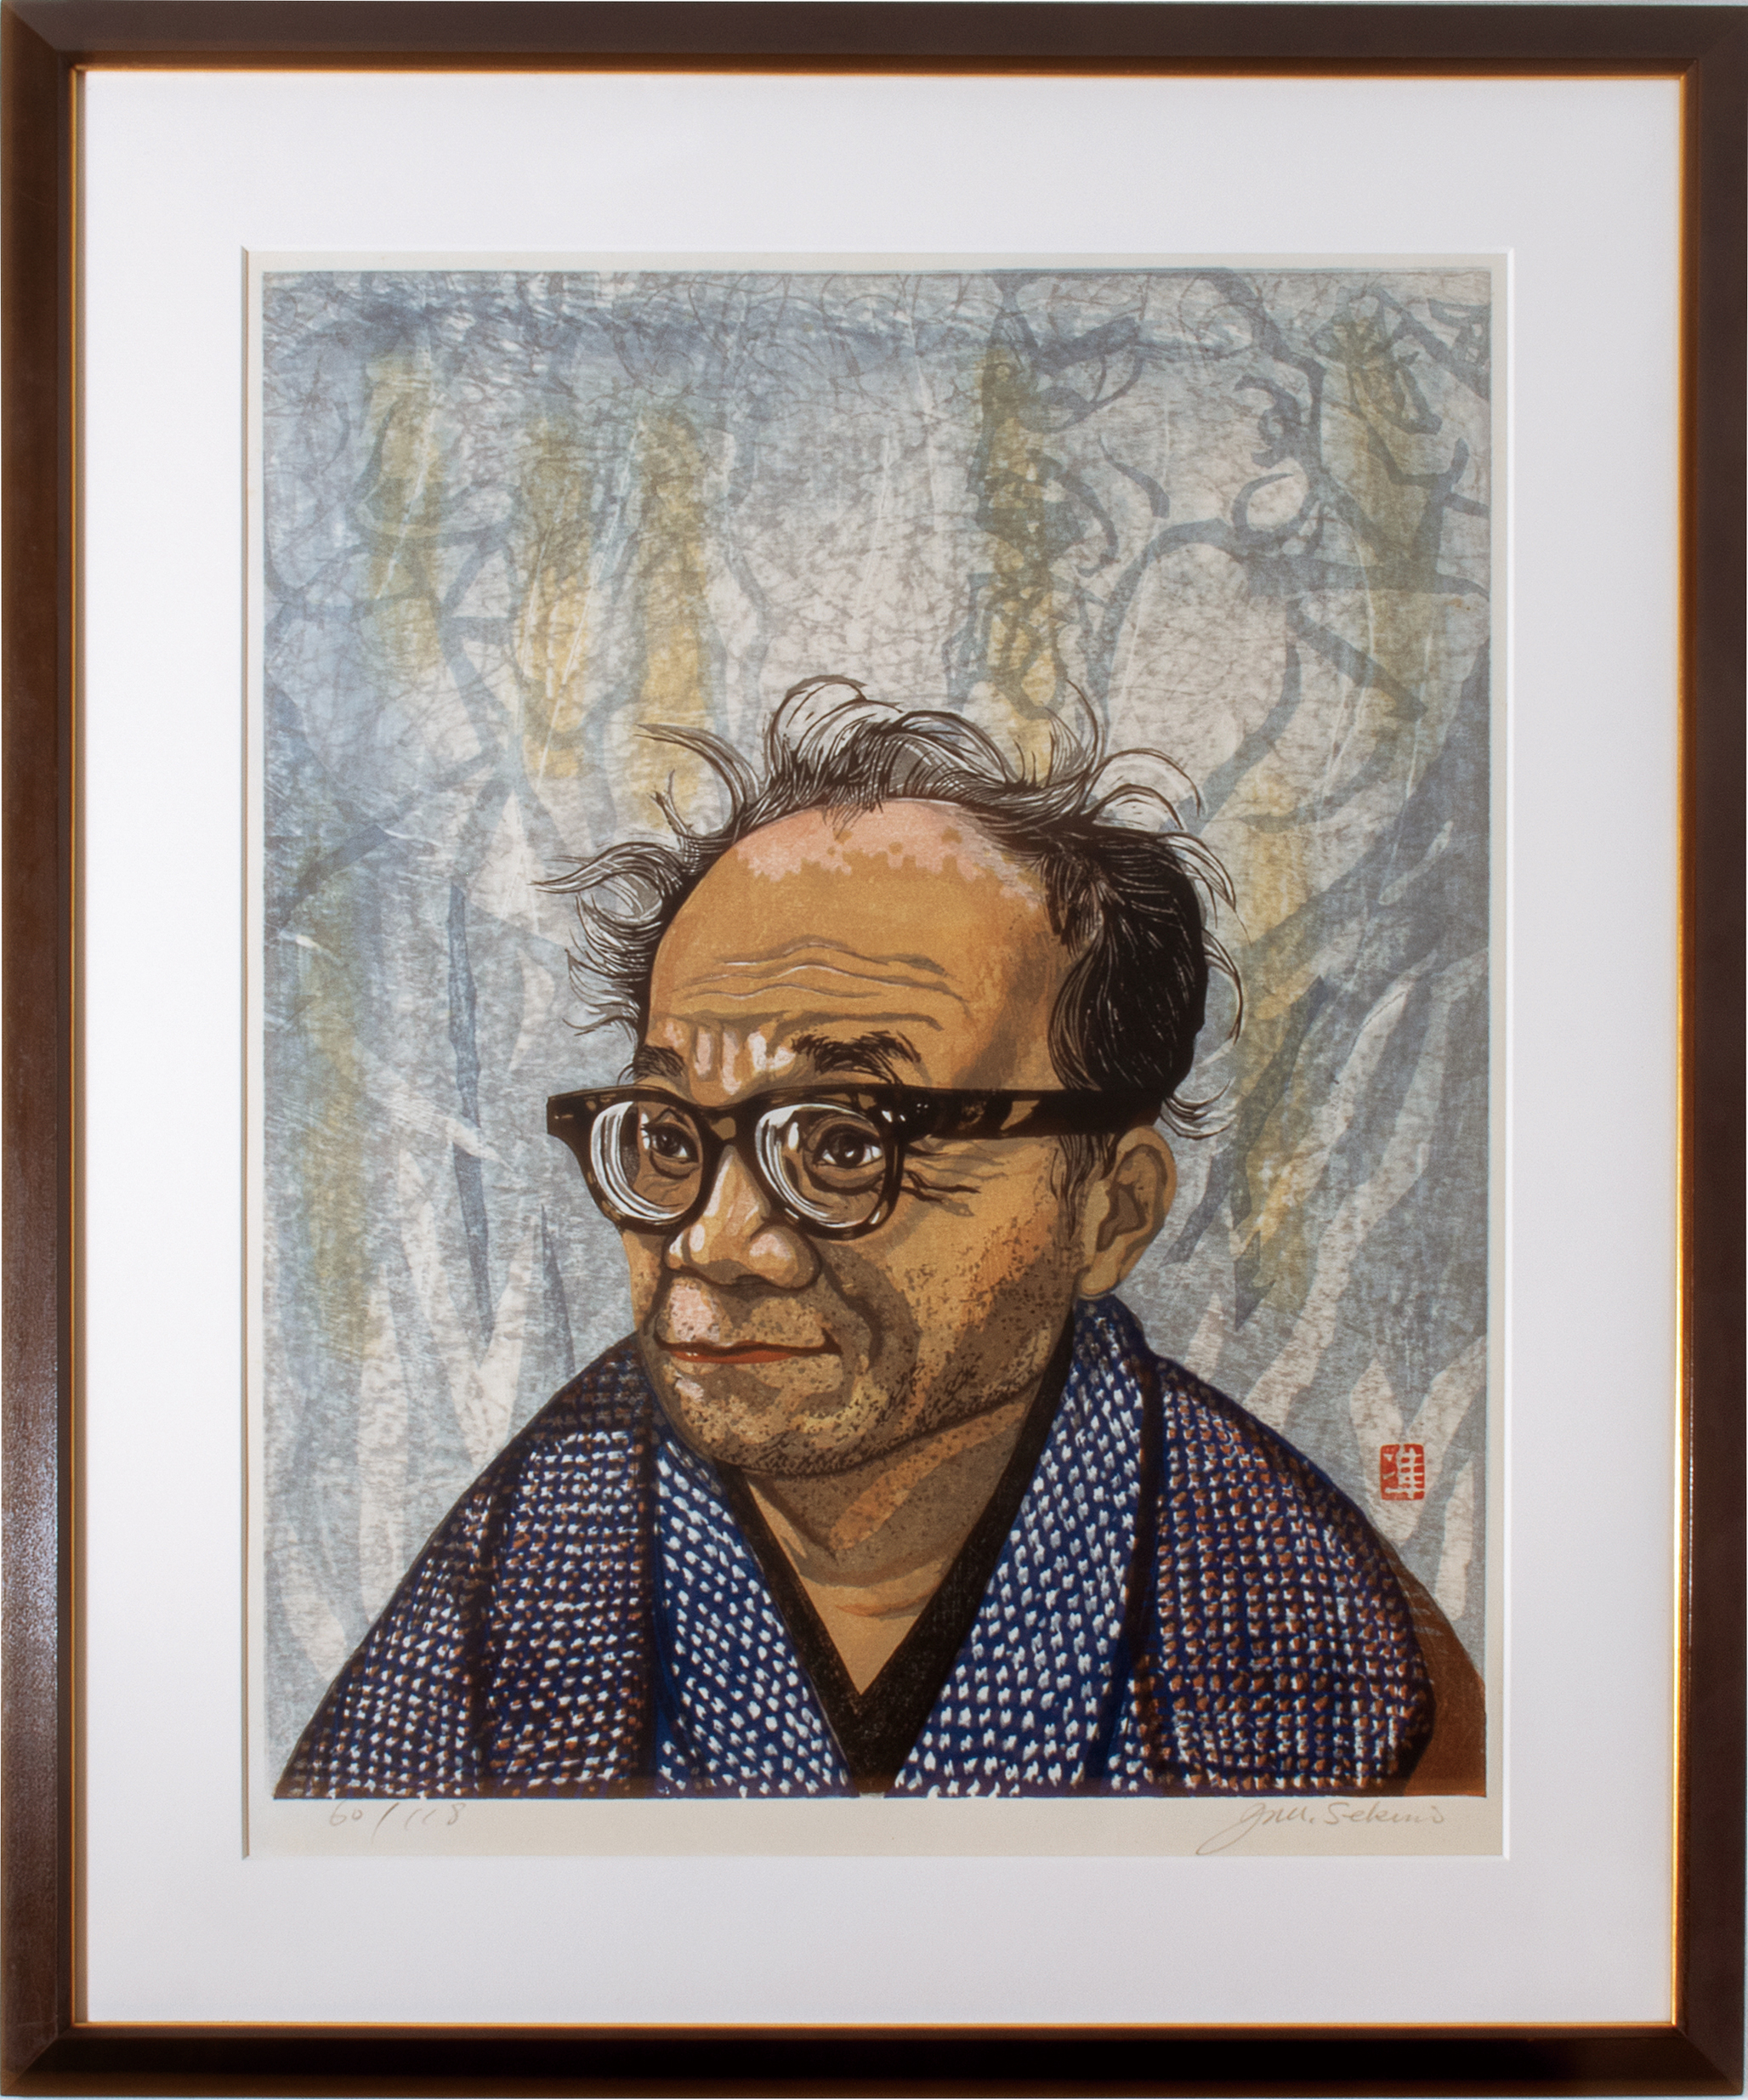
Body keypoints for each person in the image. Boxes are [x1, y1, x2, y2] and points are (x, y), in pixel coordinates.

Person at [279, 678, 1484, 1800]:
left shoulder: (1331, 1657)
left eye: (845, 1145)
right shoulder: (516, 1581)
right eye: (668, 1138)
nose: (714, 1240)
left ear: (1108, 1213)